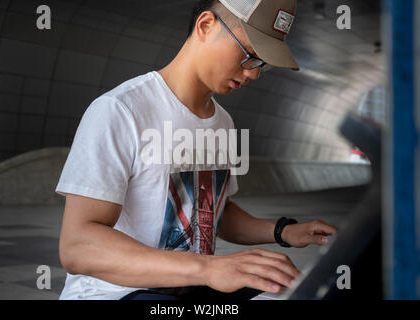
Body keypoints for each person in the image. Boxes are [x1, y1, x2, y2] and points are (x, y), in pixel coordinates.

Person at [55, 0, 337, 300]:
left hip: (190, 290)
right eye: (248, 55)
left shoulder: (223, 123)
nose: (254, 74)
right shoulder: (121, 110)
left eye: (261, 62)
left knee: (297, 294)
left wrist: (283, 231)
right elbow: (78, 246)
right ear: (205, 25)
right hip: (117, 293)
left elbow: (215, 212)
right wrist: (207, 268)